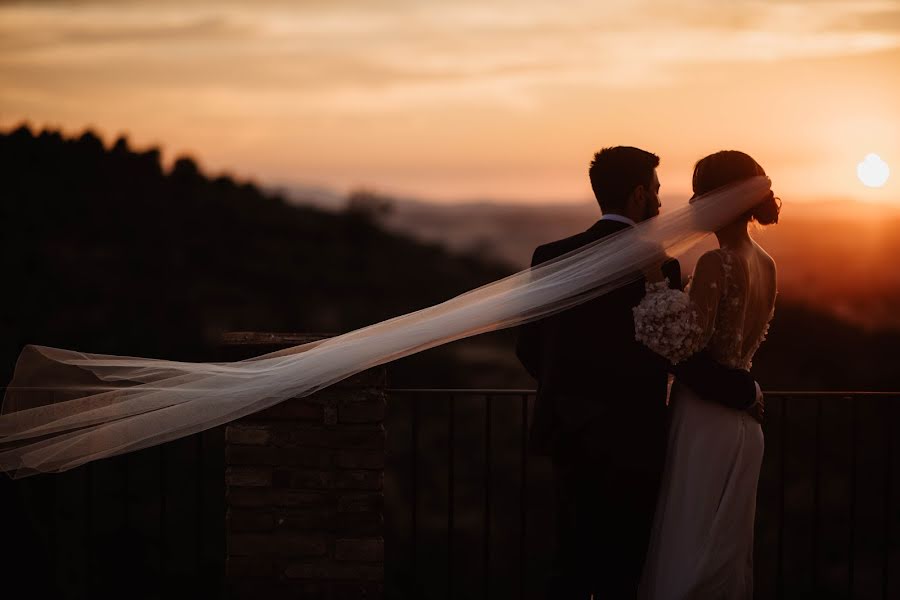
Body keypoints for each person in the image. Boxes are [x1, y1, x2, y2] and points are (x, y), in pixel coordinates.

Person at [516, 146, 762, 599]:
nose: (663, 202)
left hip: (568, 431)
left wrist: (574, 391)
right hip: (634, 439)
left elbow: (530, 348)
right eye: (656, 191)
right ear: (637, 196)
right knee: (623, 568)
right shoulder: (656, 265)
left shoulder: (550, 255)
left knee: (569, 562)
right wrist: (739, 388)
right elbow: (675, 352)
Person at [637, 150, 779, 599]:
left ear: (724, 198)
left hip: (704, 418)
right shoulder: (767, 263)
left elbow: (686, 341)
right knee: (723, 547)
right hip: (743, 425)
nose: (694, 202)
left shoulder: (719, 262)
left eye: (701, 192)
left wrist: (656, 286)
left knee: (689, 536)